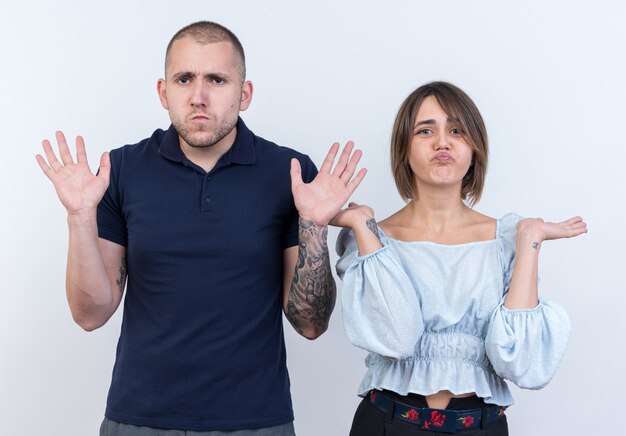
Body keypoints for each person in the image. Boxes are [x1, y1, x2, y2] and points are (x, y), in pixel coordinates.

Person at [36, 21, 366, 435]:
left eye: (217, 79)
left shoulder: (290, 173)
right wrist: (79, 217)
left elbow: (310, 324)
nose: (199, 97)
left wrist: (314, 225)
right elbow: (90, 314)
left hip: (255, 421)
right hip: (139, 418)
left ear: (244, 94)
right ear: (163, 91)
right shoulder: (120, 170)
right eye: (184, 79)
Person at [333, 81, 586, 435]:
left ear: (474, 147)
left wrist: (530, 240)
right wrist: (362, 226)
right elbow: (396, 338)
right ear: (404, 148)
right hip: (388, 423)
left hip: (480, 427)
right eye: (425, 130)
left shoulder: (506, 239)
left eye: (456, 130)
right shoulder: (374, 239)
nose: (442, 142)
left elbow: (520, 362)